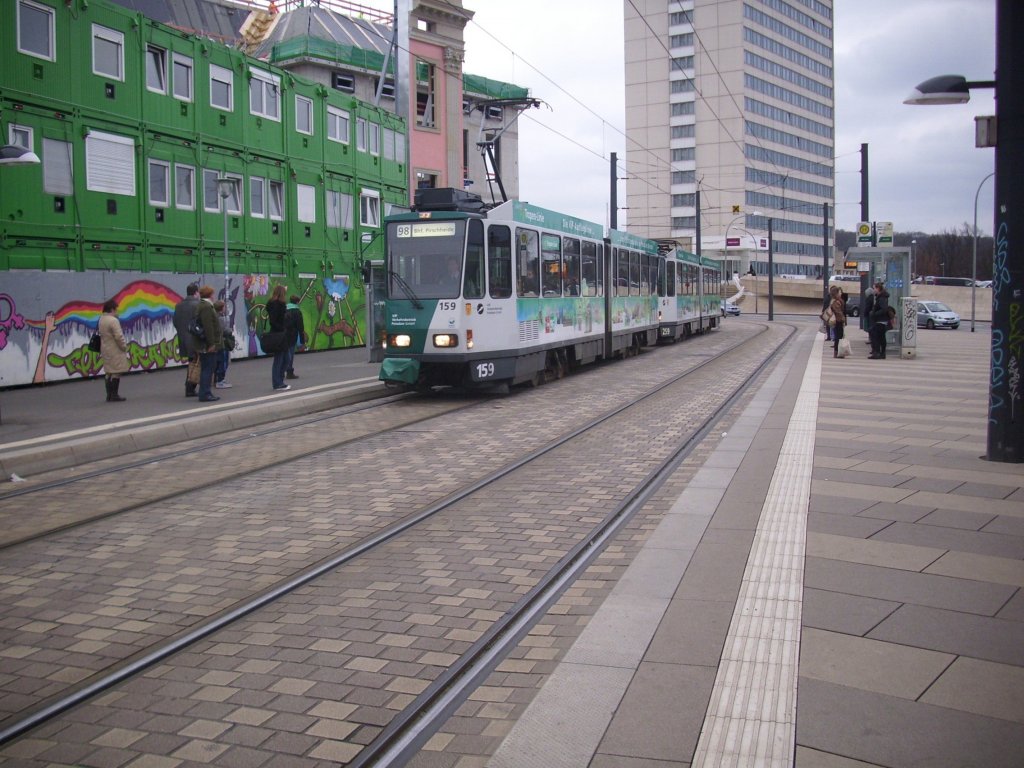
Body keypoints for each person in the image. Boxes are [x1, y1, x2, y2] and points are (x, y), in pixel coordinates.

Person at [191, 285, 224, 402]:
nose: (214, 296)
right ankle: (205, 393)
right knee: (208, 368)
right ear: (210, 295)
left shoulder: (202, 305)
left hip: (203, 343)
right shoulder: (206, 307)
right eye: (212, 294)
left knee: (207, 367)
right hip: (206, 344)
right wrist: (212, 343)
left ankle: (205, 392)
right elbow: (208, 326)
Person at [99, 298, 130, 402]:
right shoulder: (113, 321)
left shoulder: (102, 319)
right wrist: (124, 346)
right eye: (116, 309)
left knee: (108, 372)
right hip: (114, 349)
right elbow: (118, 336)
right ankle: (114, 394)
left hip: (105, 348)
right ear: (112, 309)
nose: (117, 311)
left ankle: (109, 394)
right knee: (116, 372)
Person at [172, 283, 200, 397]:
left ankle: (189, 386)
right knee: (196, 363)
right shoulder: (197, 305)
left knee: (191, 362)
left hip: (183, 337)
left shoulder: (178, 305)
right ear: (196, 292)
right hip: (194, 338)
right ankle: (190, 386)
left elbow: (175, 321)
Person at [266, 283, 290, 391]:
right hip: (279, 334)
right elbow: (274, 321)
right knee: (280, 359)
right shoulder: (277, 305)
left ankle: (280, 380)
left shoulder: (275, 304)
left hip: (280, 334)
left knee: (285, 358)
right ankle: (277, 383)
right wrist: (282, 328)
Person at [284, 295, 306, 380]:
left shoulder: (285, 309)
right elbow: (300, 327)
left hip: (284, 335)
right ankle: (289, 372)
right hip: (293, 335)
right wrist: (302, 340)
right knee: (290, 353)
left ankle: (282, 370)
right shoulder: (297, 311)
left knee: (285, 353)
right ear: (297, 302)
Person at [867, 281, 890, 359]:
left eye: (874, 288)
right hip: (882, 320)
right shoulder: (882, 297)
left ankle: (877, 352)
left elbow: (884, 309)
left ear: (878, 288)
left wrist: (874, 313)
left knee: (876, 336)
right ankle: (881, 353)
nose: (874, 290)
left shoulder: (881, 298)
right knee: (881, 337)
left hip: (880, 320)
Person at [214, 300, 232, 389]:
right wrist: (230, 330)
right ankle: (220, 380)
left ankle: (218, 379)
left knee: (219, 361)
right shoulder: (220, 318)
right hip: (222, 341)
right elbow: (224, 330)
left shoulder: (217, 316)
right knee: (223, 361)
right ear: (221, 308)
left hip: (219, 342)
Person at [827, 285, 847, 359]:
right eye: (839, 292)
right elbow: (839, 312)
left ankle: (838, 352)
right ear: (836, 293)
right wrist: (843, 318)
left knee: (839, 336)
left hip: (838, 320)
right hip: (838, 320)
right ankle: (837, 352)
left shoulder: (837, 301)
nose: (840, 293)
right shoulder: (835, 302)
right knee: (839, 336)